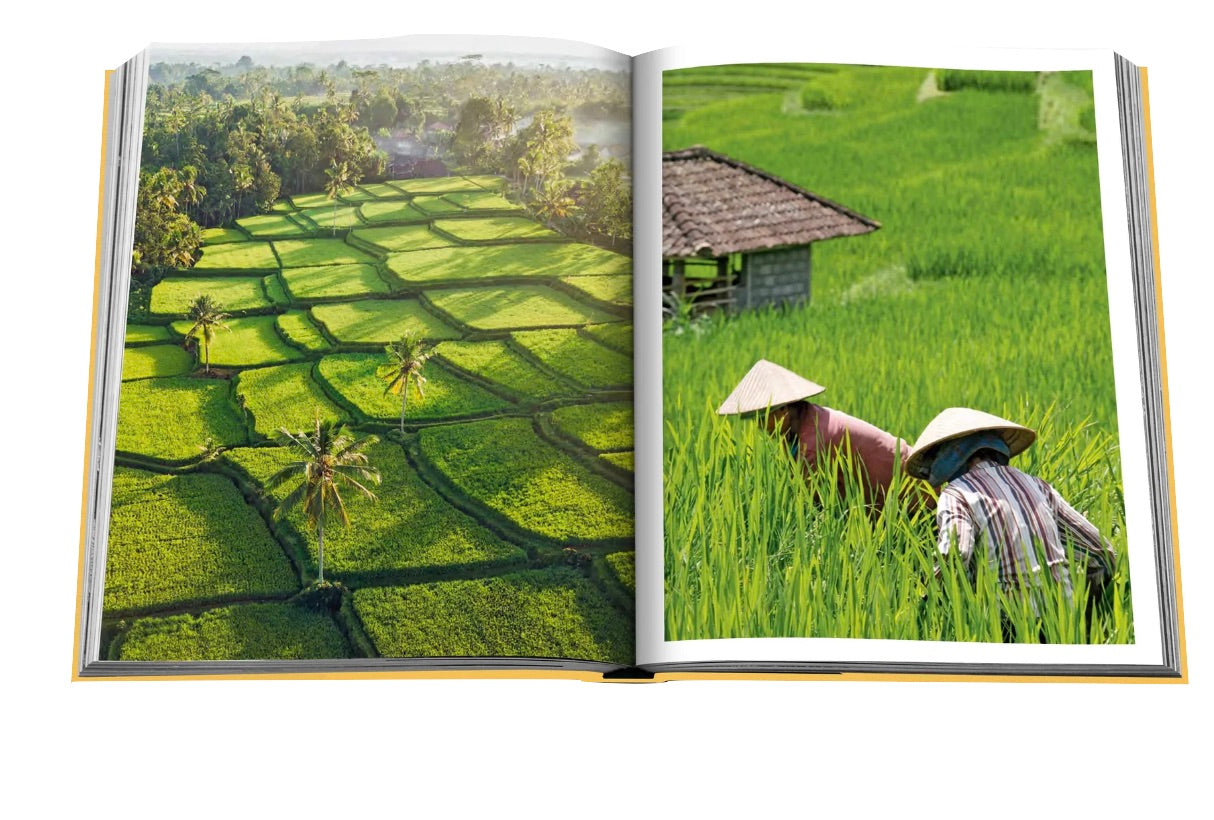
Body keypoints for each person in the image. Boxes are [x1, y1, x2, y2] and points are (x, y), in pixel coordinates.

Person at [905, 407, 1116, 623]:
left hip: (1005, 625)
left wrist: (925, 609)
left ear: (944, 459)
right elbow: (1102, 552)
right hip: (1065, 619)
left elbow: (956, 554)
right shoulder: (1037, 485)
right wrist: (1090, 618)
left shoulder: (956, 494)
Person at [717, 359, 926, 511]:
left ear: (782, 410)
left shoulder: (813, 442)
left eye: (763, 419)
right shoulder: (804, 423)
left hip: (916, 492)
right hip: (897, 493)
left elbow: (816, 506)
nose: (760, 427)